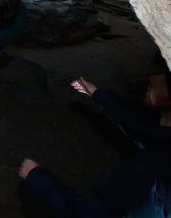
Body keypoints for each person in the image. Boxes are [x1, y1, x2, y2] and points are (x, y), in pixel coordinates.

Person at [19, 72, 171, 217]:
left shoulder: (152, 178)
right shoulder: (164, 143)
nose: (153, 77)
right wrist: (100, 95)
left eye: (166, 77)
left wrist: (37, 178)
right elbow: (148, 128)